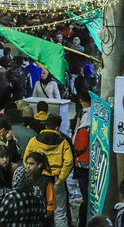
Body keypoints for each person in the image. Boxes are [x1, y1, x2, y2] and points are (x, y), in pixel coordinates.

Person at [24, 114, 73, 227]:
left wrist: (31, 175)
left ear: (46, 125)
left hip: (37, 179)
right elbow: (69, 162)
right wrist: (61, 178)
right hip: (55, 179)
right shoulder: (63, 142)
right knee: (59, 212)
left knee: (34, 209)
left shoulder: (34, 140)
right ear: (57, 127)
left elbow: (27, 159)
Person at [74, 92, 91, 227]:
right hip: (92, 161)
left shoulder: (84, 125)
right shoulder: (97, 115)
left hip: (82, 162)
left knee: (85, 194)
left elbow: (80, 144)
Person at [26, 151, 56, 226]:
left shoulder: (47, 181)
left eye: (31, 164)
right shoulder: (27, 178)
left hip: (43, 221)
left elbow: (51, 204)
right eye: (27, 163)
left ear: (39, 165)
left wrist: (42, 216)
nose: (28, 166)